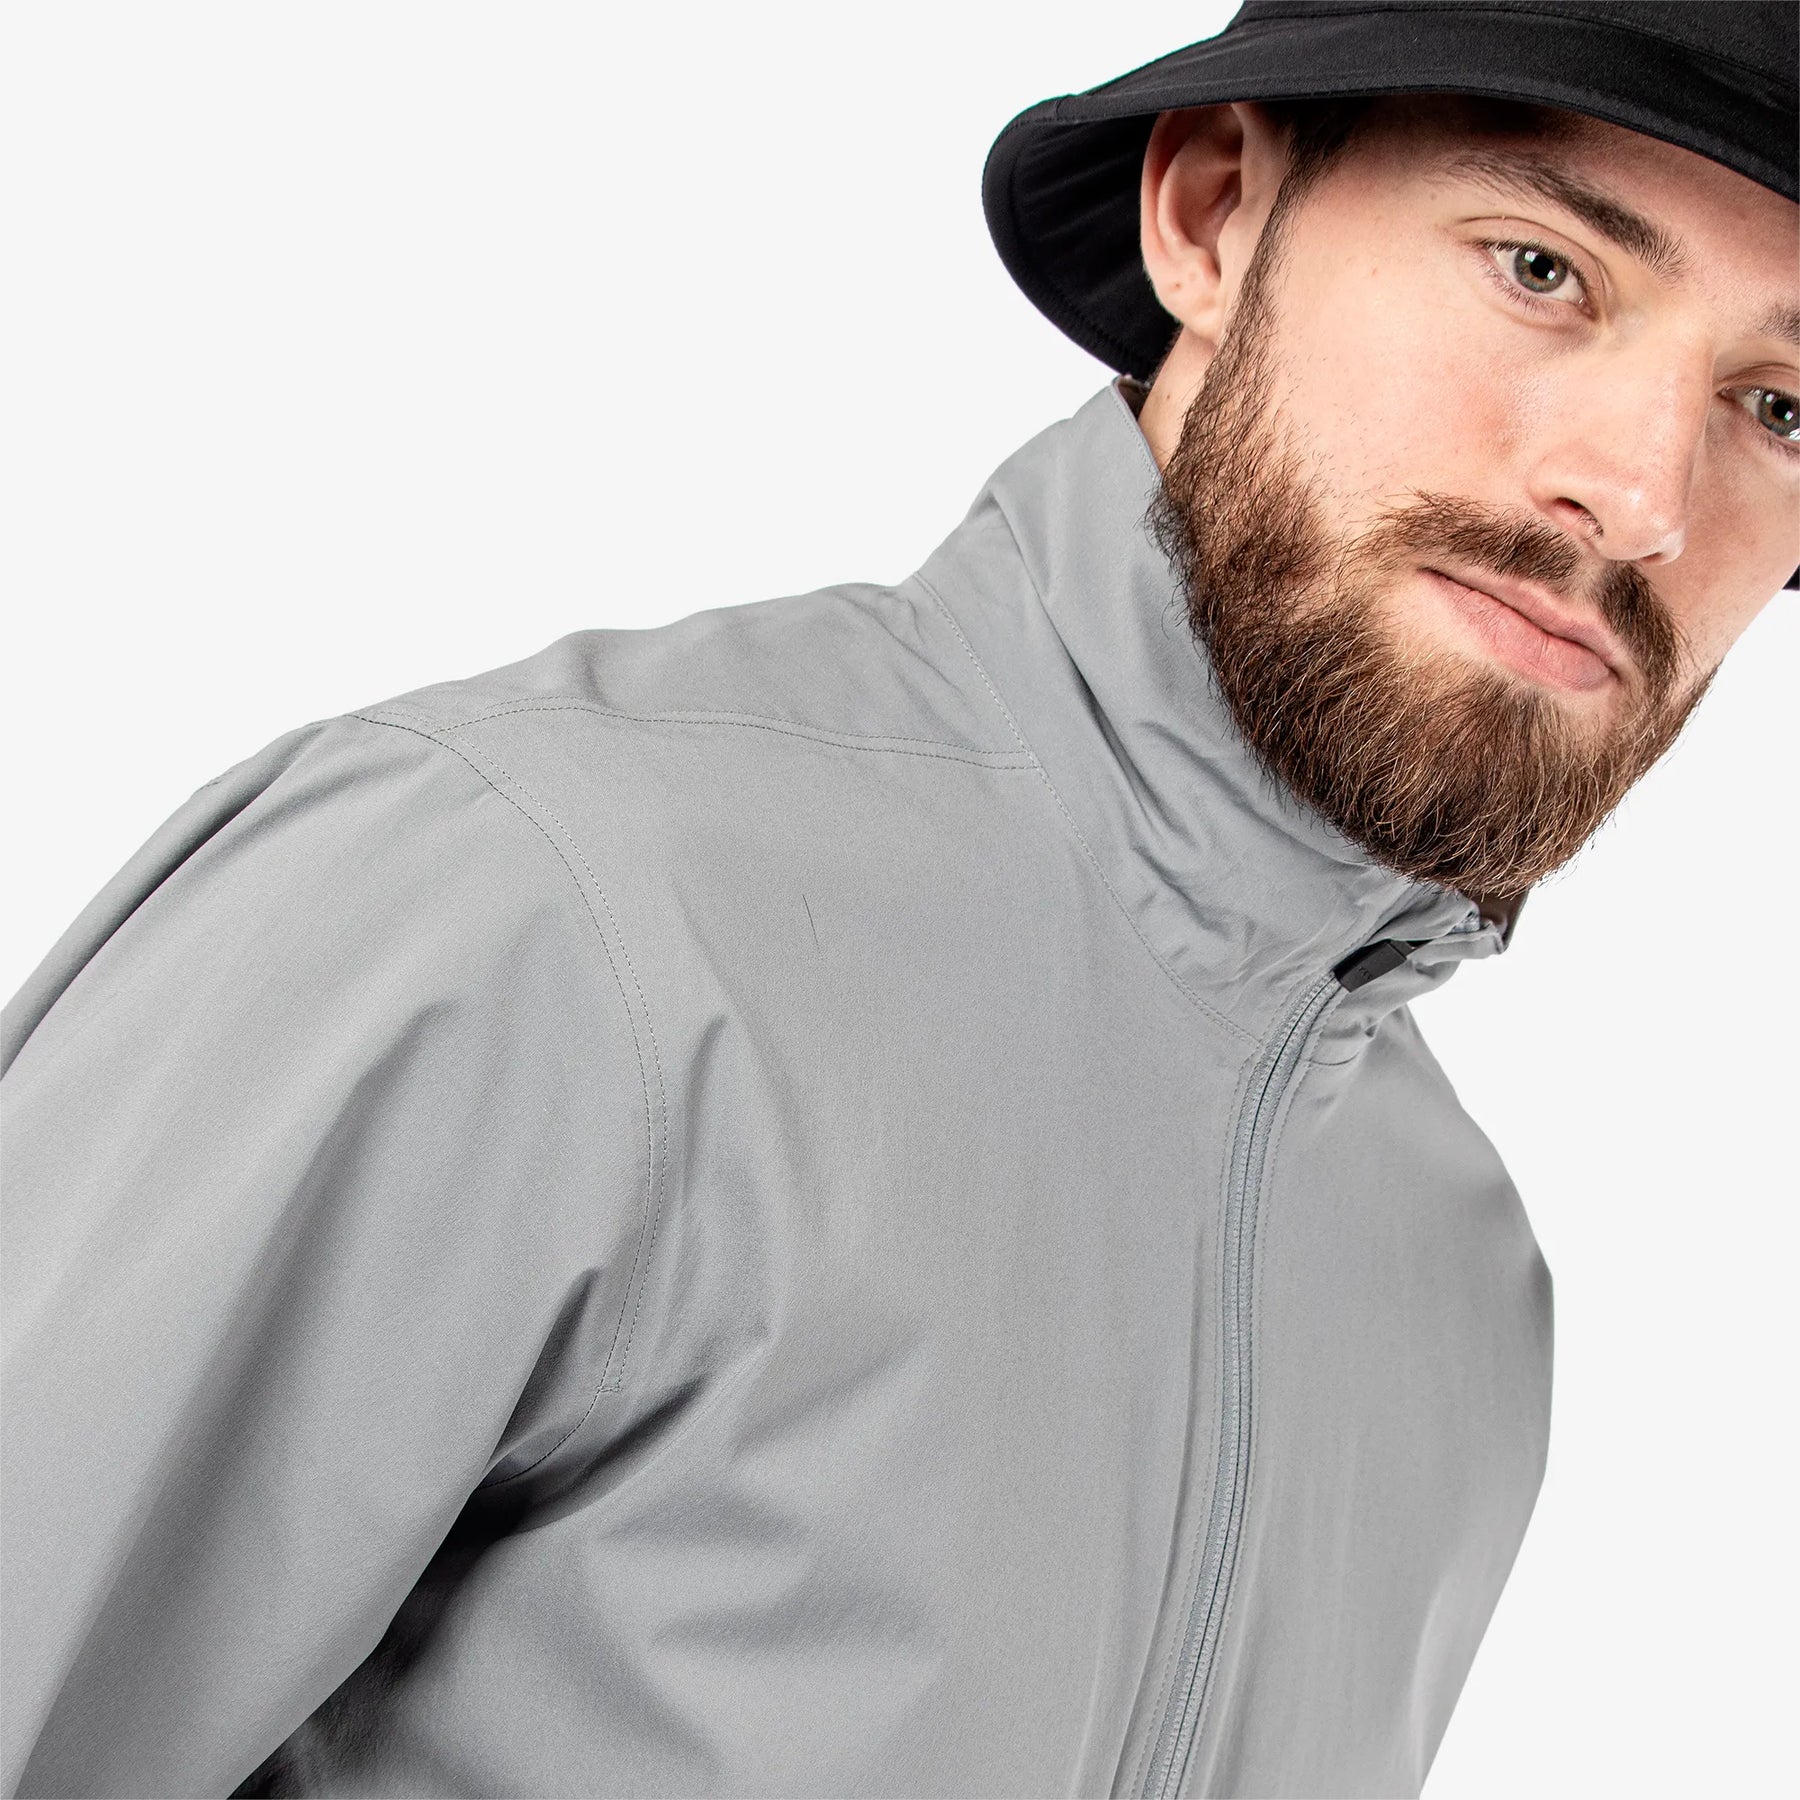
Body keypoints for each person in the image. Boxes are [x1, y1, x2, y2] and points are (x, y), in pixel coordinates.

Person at [2, 2, 1794, 1795]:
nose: (1641, 495)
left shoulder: (1458, 1288)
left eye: (1784, 406)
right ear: (1212, 212)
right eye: (1541, 270)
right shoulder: (524, 905)